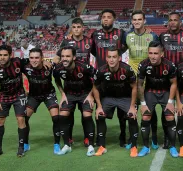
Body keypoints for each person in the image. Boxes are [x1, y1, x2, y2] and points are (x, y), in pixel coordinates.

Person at [91, 9, 128, 147]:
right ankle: (100, 138)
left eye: (109, 17)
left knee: (122, 112)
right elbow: (93, 51)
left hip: (118, 77)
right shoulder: (95, 34)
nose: (106, 19)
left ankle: (123, 136)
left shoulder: (121, 33)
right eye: (103, 17)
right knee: (100, 110)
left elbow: (125, 48)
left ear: (114, 19)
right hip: (101, 78)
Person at [92, 47, 139, 157]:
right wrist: (98, 106)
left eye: (114, 57)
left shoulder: (127, 70)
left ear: (119, 58)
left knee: (132, 116)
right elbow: (94, 87)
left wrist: (132, 106)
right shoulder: (101, 71)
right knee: (100, 115)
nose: (112, 60)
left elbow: (134, 87)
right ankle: (102, 146)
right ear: (106, 58)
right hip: (108, 97)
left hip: (125, 97)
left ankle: (134, 146)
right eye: (109, 57)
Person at [56, 17, 94, 146]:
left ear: (83, 28)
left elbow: (99, 54)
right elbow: (57, 57)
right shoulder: (66, 42)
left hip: (86, 81)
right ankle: (69, 137)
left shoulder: (90, 41)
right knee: (69, 113)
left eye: (79, 27)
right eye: (74, 27)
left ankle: (87, 137)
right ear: (71, 28)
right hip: (70, 82)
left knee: (86, 114)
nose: (76, 29)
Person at [159, 12, 183, 149]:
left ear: (180, 22)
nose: (173, 22)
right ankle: (168, 137)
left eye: (175, 20)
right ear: (168, 22)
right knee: (166, 108)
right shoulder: (162, 36)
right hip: (166, 77)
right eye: (170, 20)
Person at [124, 10, 159, 149]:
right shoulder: (127, 35)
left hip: (149, 76)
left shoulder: (152, 35)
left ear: (144, 20)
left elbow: (157, 53)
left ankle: (154, 137)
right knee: (132, 107)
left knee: (150, 107)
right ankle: (132, 138)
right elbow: (117, 51)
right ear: (132, 21)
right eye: (134, 19)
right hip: (132, 77)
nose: (137, 22)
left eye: (139, 19)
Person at [137, 41, 178, 157]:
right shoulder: (143, 65)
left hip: (165, 92)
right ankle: (146, 147)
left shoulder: (170, 65)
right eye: (150, 53)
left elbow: (174, 84)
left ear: (161, 54)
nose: (153, 56)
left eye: (155, 53)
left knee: (170, 116)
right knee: (145, 116)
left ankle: (173, 147)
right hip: (150, 92)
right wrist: (143, 103)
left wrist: (171, 101)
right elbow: (139, 84)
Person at [53, 46, 95, 156]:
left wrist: (91, 95)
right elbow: (57, 80)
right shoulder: (58, 68)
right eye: (62, 56)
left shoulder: (84, 67)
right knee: (62, 115)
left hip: (85, 93)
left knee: (87, 115)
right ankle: (67, 145)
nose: (64, 59)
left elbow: (97, 79)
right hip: (69, 94)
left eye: (67, 56)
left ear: (74, 57)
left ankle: (90, 145)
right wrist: (62, 94)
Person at [22, 48, 60, 154]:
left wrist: (46, 61)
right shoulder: (25, 66)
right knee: (24, 119)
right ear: (29, 58)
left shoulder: (49, 66)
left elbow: (59, 58)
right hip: (34, 96)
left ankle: (56, 144)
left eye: (37, 58)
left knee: (56, 118)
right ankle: (25, 144)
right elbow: (11, 63)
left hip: (49, 94)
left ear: (42, 58)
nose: (34, 60)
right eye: (32, 58)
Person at [0, 45, 27, 157]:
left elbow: (31, 67)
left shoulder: (18, 62)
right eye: (0, 55)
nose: (2, 57)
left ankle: (21, 147)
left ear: (10, 55)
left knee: (21, 119)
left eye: (5, 55)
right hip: (4, 96)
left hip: (19, 94)